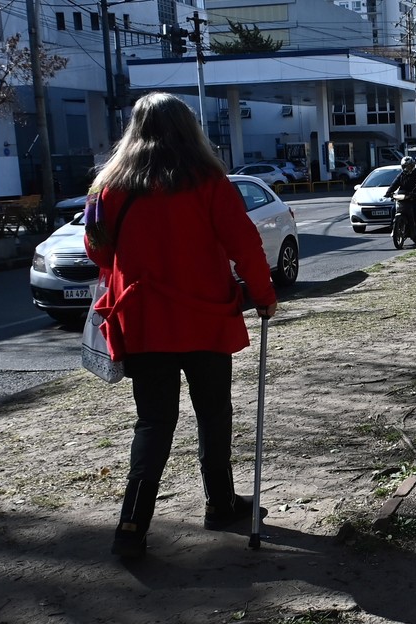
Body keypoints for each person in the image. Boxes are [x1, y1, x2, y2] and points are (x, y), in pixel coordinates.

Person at [83, 92, 278, 559]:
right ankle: (221, 502)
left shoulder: (109, 187)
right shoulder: (209, 181)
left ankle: (131, 525)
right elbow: (244, 243)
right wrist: (264, 297)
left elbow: (97, 250)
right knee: (213, 414)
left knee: (153, 422)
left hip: (145, 321)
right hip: (205, 320)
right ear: (189, 129)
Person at [384, 156, 416, 231]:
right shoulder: (401, 176)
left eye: (409, 166)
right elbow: (394, 184)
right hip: (402, 197)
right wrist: (388, 192)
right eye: (405, 167)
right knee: (394, 209)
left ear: (413, 166)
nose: (407, 168)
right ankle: (393, 225)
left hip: (414, 198)